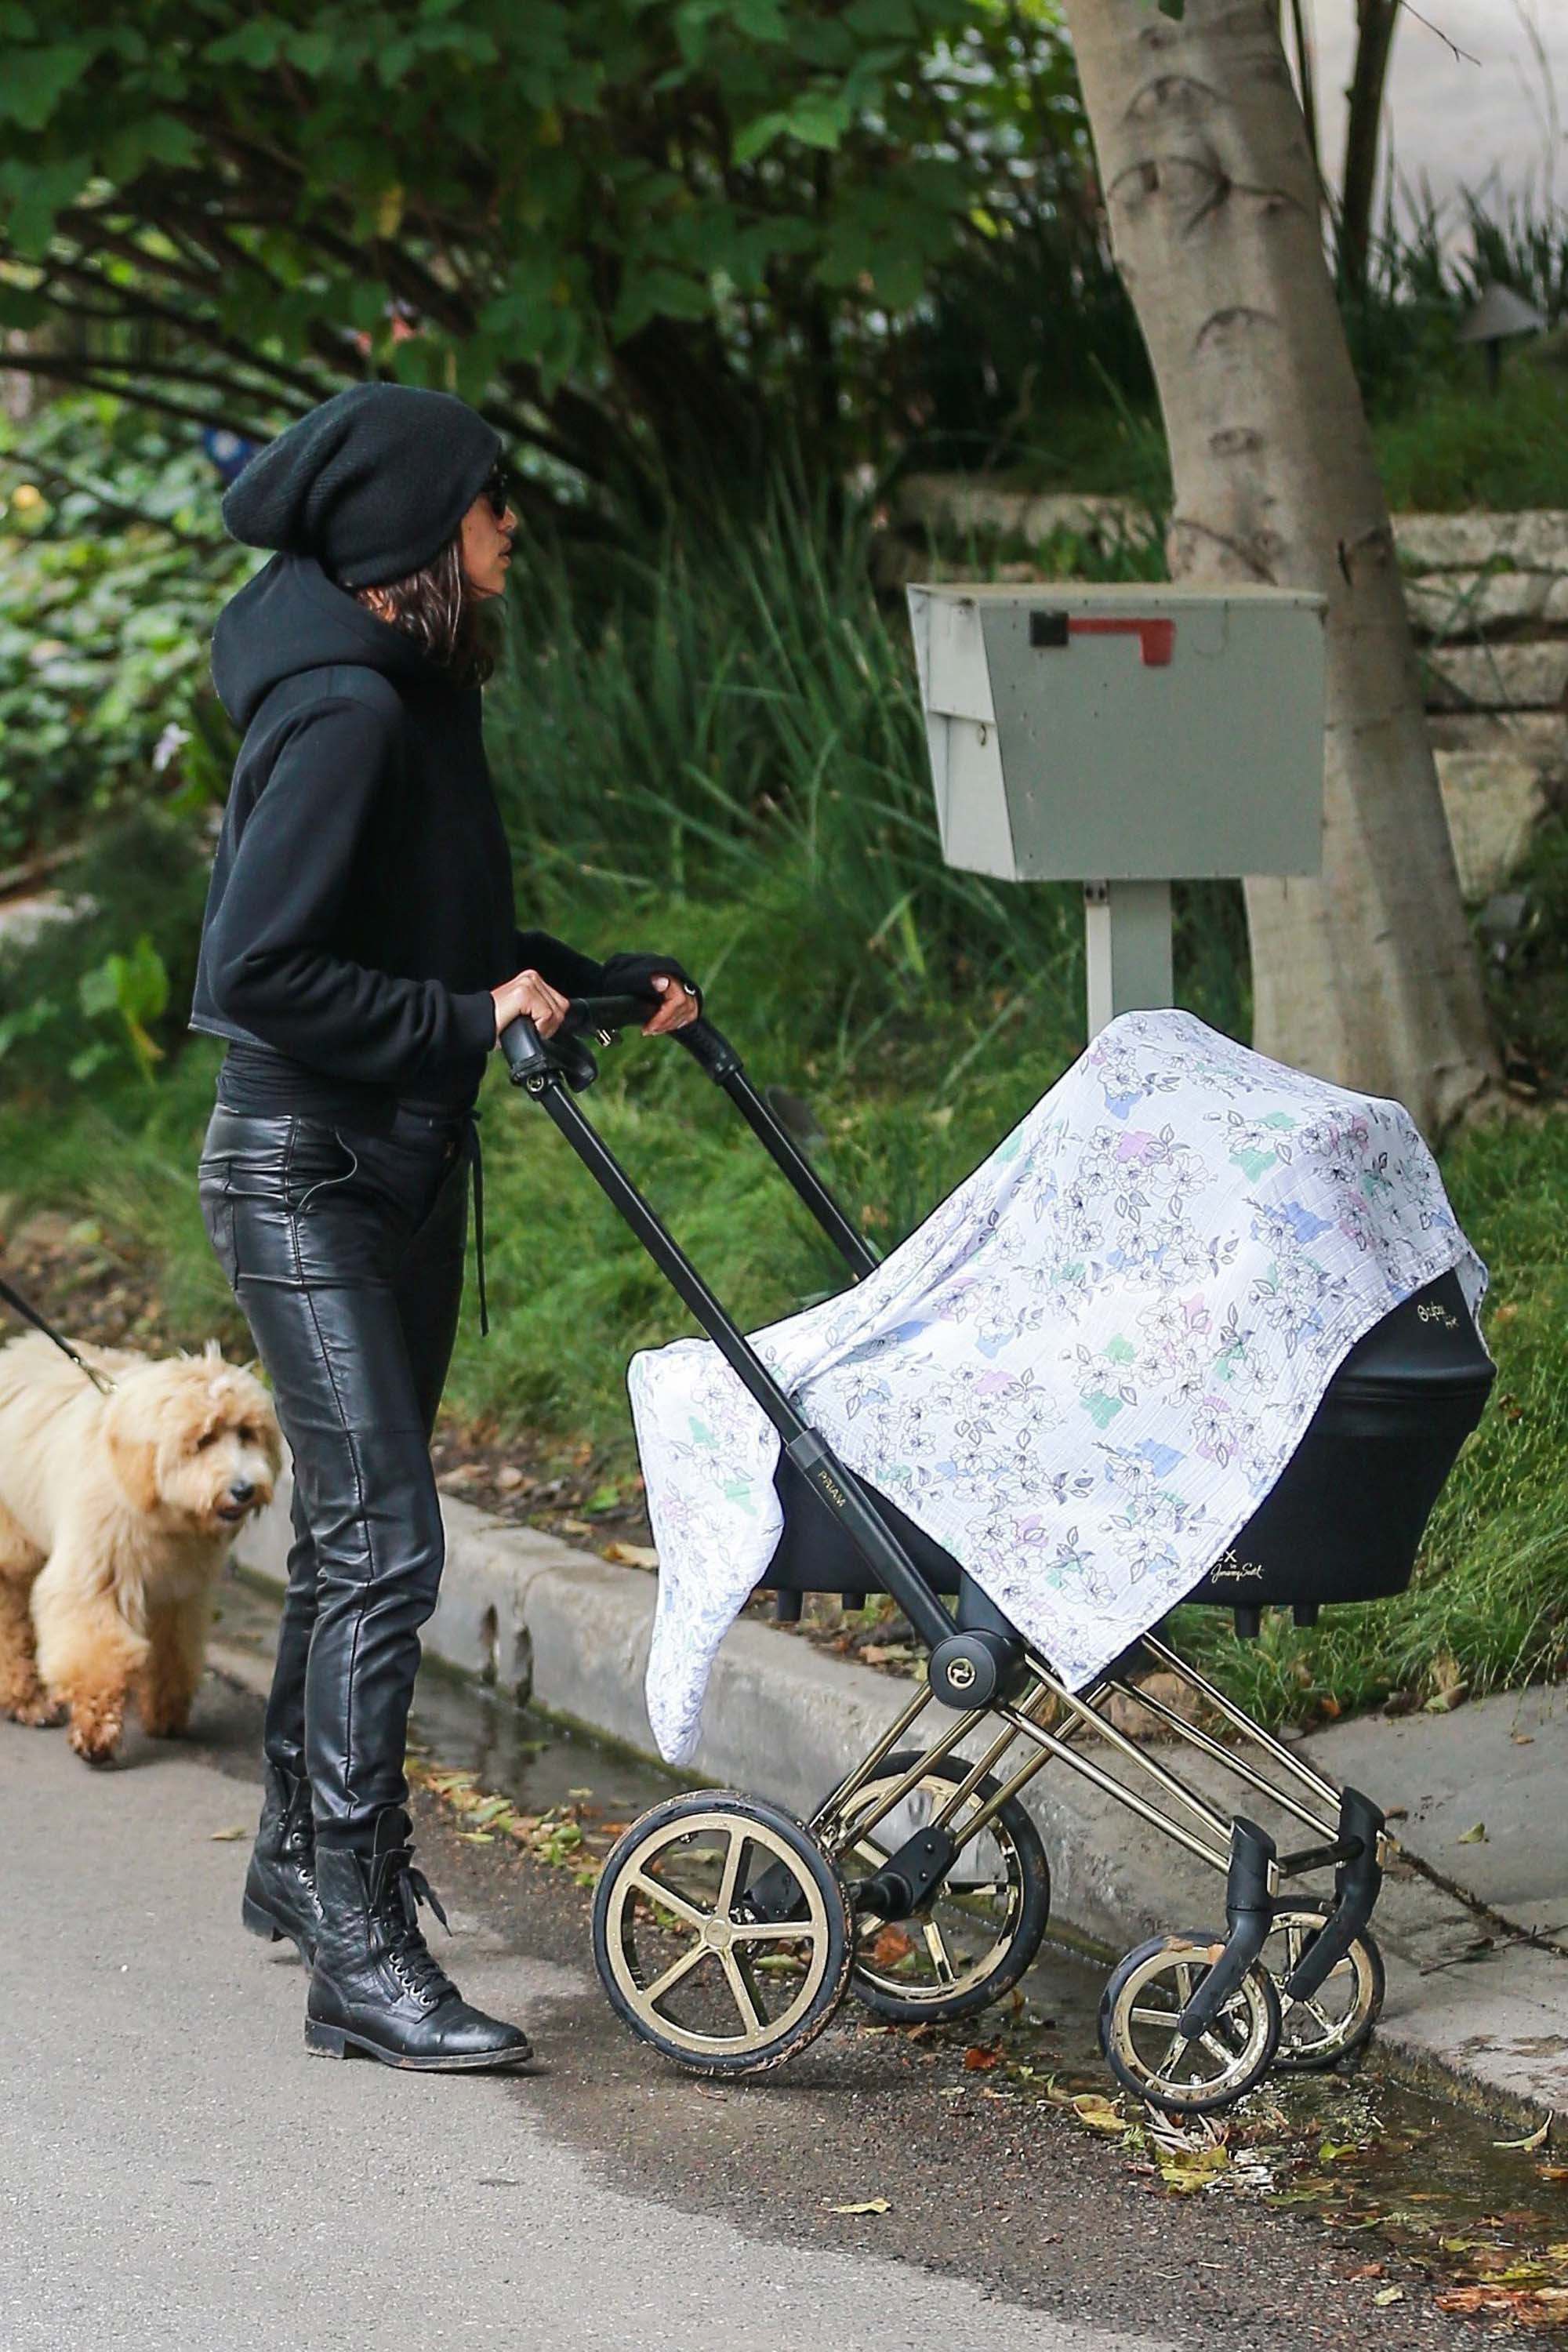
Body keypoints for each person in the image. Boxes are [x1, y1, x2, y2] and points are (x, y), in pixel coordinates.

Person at [189, 382, 700, 2073]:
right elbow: (255, 976)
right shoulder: (341, 711)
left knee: (356, 1539)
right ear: (418, 530)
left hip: (394, 1169)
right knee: (391, 1540)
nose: (509, 533)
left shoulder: (420, 695)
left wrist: (600, 984)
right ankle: (355, 1945)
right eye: (490, 507)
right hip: (304, 1172)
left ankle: (294, 1865)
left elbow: (446, 935)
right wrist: (465, 1024)